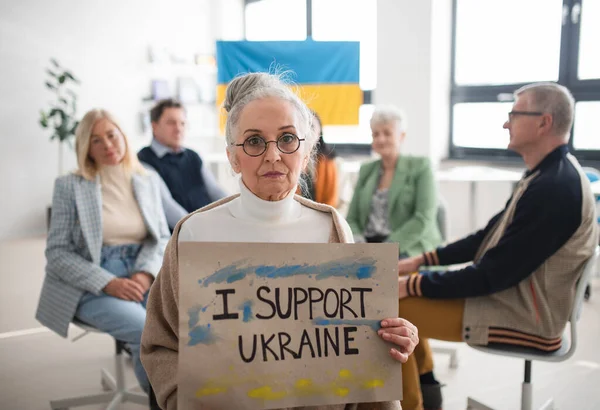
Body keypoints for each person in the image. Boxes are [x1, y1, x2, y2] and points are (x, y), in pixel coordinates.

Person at [141, 72, 420, 410]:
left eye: (287, 139)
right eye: (255, 142)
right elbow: (161, 346)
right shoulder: (195, 232)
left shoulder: (331, 227)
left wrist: (389, 339)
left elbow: (356, 348)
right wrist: (181, 400)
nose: (273, 155)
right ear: (232, 156)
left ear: (305, 152)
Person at [395, 82, 598, 410]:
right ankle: (428, 393)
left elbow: (489, 276)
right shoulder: (544, 176)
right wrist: (420, 261)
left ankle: (413, 404)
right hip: (517, 300)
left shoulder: (554, 189)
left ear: (544, 122)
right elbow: (485, 238)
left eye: (514, 114)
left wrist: (411, 284)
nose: (506, 122)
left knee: (392, 311)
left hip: (527, 318)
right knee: (401, 301)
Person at [35, 109, 170, 395]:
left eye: (112, 135)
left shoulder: (147, 180)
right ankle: (161, 402)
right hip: (91, 283)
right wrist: (108, 282)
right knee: (146, 332)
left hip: (140, 273)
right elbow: (57, 253)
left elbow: (159, 237)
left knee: (179, 327)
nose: (108, 145)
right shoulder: (69, 186)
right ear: (86, 147)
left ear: (123, 136)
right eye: (96, 140)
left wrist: (145, 274)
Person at [346, 106, 442, 257]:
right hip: (367, 246)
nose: (380, 139)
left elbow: (424, 218)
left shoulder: (421, 167)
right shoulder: (366, 170)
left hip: (407, 246)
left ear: (401, 136)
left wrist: (386, 250)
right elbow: (352, 218)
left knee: (381, 276)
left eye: (387, 133)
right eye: (375, 134)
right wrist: (359, 244)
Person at [138, 99, 227, 229]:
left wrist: (238, 212)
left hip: (208, 227)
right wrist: (197, 229)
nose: (178, 129)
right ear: (154, 126)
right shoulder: (143, 161)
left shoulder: (193, 156)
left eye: (182, 123)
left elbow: (216, 192)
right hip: (181, 235)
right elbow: (167, 206)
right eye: (171, 123)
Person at [299, 110, 339, 206]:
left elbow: (331, 198)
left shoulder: (328, 160)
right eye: (303, 127)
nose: (307, 132)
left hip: (321, 214)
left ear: (319, 132)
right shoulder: (288, 158)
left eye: (312, 127)